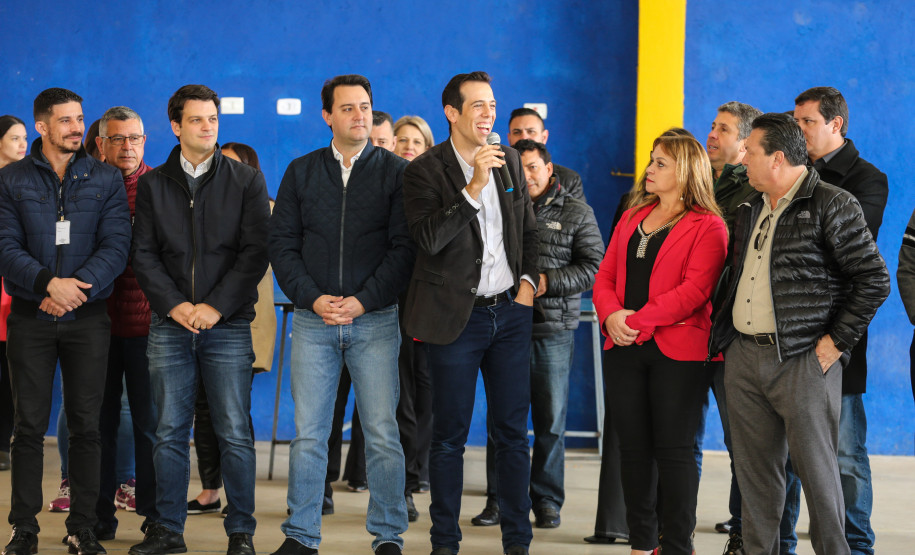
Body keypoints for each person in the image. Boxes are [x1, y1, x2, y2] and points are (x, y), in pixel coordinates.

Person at [708, 112, 890, 555]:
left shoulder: (832, 202)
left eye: (750, 152)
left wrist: (834, 345)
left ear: (776, 158)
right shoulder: (751, 207)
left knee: (820, 478)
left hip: (803, 361)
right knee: (756, 479)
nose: (742, 161)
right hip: (744, 357)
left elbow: (873, 279)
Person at [268, 74, 414, 555]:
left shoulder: (396, 173)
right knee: (309, 436)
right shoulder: (301, 172)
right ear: (327, 115)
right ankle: (302, 536)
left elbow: (403, 249)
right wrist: (313, 298)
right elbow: (283, 246)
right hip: (314, 322)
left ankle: (388, 535)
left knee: (382, 435)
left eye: (366, 106)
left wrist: (363, 300)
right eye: (348, 108)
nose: (360, 115)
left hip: (374, 321)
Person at [402, 71, 540, 555]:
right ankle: (445, 542)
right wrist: (473, 185)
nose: (489, 114)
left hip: (510, 313)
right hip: (454, 320)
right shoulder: (423, 171)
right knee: (449, 437)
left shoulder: (511, 164)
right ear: (452, 113)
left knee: (510, 434)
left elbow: (528, 230)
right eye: (478, 105)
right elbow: (428, 239)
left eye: (492, 105)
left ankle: (517, 542)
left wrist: (527, 284)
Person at [129, 84, 269, 555]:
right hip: (170, 325)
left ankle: (241, 533)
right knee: (169, 431)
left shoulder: (245, 180)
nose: (207, 126)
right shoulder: (153, 185)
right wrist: (175, 306)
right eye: (196, 120)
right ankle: (168, 530)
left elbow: (255, 253)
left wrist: (214, 306)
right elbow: (143, 255)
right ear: (175, 126)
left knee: (234, 430)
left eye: (212, 119)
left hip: (226, 325)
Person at [0, 88, 131, 555]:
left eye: (80, 118)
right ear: (42, 127)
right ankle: (24, 529)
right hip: (30, 317)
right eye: (67, 121)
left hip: (88, 316)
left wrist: (74, 289)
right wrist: (47, 285)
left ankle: (83, 526)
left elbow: (116, 246)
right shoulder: (10, 180)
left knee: (87, 426)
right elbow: (5, 246)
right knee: (28, 426)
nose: (78, 127)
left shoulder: (106, 178)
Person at [592, 134, 727, 555]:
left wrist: (633, 321)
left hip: (679, 353)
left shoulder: (710, 225)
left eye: (661, 163)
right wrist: (611, 316)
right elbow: (605, 276)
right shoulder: (633, 216)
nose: (649, 169)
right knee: (633, 452)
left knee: (674, 452)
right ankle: (642, 544)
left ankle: (676, 547)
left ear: (686, 171)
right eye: (652, 161)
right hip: (623, 347)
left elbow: (694, 291)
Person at [790, 86, 888, 555]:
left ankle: (857, 545)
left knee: (845, 450)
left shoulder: (868, 179)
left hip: (839, 333)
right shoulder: (791, 170)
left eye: (807, 121)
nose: (799, 130)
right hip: (787, 331)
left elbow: (844, 248)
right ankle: (777, 542)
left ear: (836, 125)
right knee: (787, 455)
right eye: (797, 121)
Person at [186, 142, 276, 518]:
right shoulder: (199, 207)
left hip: (243, 323)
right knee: (202, 410)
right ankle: (210, 490)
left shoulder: (266, 210)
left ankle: (240, 497)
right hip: (196, 322)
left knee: (234, 413)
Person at [92, 106, 159, 541]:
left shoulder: (159, 187)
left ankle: (157, 519)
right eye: (117, 139)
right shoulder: (84, 187)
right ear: (100, 143)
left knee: (151, 429)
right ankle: (97, 518)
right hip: (94, 327)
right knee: (98, 428)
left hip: (150, 328)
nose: (127, 147)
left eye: (134, 138)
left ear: (145, 141)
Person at [0, 114, 27, 473]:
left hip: (15, 285)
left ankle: (3, 442)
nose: (22, 145)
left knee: (9, 372)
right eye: (14, 138)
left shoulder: (26, 182)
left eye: (24, 138)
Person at [506, 107, 584, 199]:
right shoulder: (498, 176)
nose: (524, 137)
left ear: (544, 137)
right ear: (509, 138)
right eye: (517, 132)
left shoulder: (569, 180)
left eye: (531, 131)